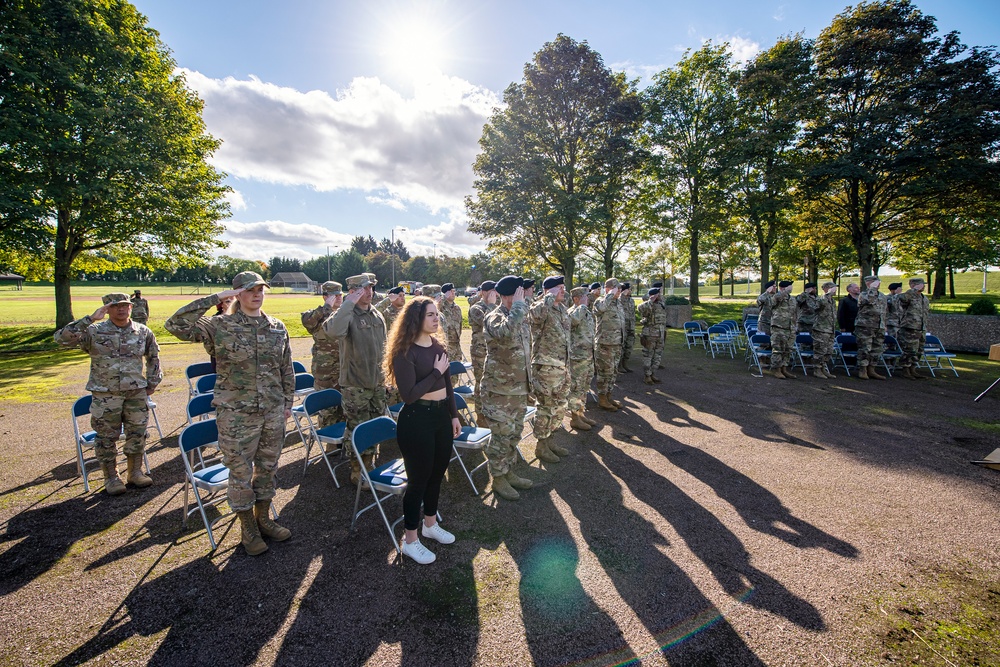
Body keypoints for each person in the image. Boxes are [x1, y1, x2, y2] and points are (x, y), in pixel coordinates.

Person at [165, 272, 294, 556]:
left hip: (272, 411)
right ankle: (247, 527)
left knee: (268, 468)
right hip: (237, 415)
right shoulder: (220, 325)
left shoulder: (276, 326)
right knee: (240, 472)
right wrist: (216, 298)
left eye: (261, 289)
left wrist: (287, 402)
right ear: (237, 293)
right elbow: (175, 325)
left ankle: (264, 519)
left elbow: (286, 367)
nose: (257, 294)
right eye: (249, 290)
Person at [55, 292, 162, 495]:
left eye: (125, 305)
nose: (121, 309)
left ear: (131, 307)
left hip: (135, 393)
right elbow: (61, 339)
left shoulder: (142, 331)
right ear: (106, 309)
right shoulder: (94, 331)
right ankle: (111, 477)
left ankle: (135, 472)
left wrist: (152, 383)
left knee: (138, 433)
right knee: (106, 437)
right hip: (106, 394)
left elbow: (154, 357)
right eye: (115, 306)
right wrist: (90, 319)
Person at [384, 296, 462, 564]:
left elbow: (448, 386)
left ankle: (430, 524)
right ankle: (410, 540)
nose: (436, 318)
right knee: (418, 481)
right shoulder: (404, 352)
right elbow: (409, 395)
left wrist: (454, 415)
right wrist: (435, 372)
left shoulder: (438, 345)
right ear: (416, 319)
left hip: (441, 417)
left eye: (436, 314)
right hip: (416, 419)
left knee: (437, 474)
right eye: (430, 314)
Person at [325, 274, 388, 484]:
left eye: (370, 288)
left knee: (375, 425)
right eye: (363, 289)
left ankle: (369, 463)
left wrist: (386, 377)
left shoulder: (377, 314)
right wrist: (348, 304)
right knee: (357, 427)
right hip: (356, 384)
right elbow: (333, 332)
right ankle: (357, 469)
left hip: (377, 383)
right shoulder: (347, 314)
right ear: (352, 291)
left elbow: (385, 347)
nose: (369, 292)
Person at [480, 275, 534, 501]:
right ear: (504, 296)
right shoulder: (494, 317)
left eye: (520, 293)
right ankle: (498, 478)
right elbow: (507, 333)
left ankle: (508, 471)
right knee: (501, 437)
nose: (520, 297)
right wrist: (519, 307)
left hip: (519, 388)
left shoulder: (519, 316)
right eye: (516, 294)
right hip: (499, 391)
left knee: (514, 434)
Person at [528, 275, 571, 463]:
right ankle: (541, 445)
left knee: (559, 406)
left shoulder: (561, 309)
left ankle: (550, 439)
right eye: (559, 287)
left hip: (562, 365)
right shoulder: (539, 307)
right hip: (545, 366)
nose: (563, 290)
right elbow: (535, 317)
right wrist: (548, 296)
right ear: (548, 290)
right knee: (546, 406)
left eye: (563, 287)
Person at [301, 281, 344, 436]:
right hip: (325, 372)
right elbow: (308, 322)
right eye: (335, 295)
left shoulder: (345, 313)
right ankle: (330, 447)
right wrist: (326, 307)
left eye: (340, 294)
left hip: (344, 370)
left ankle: (343, 445)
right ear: (325, 296)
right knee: (328, 411)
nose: (339, 298)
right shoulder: (316, 315)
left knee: (344, 407)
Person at [566, 286, 597, 430]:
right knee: (576, 388)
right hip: (576, 357)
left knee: (584, 387)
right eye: (584, 297)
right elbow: (573, 322)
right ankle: (574, 417)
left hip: (587, 355)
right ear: (576, 299)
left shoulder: (586, 312)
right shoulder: (573, 312)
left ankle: (580, 413)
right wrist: (582, 306)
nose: (588, 299)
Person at [468, 279, 497, 426]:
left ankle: (490, 412)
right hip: (480, 352)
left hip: (493, 351)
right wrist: (492, 305)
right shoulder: (476, 308)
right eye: (492, 290)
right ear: (484, 292)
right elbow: (489, 322)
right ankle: (480, 415)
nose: (495, 294)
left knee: (493, 382)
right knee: (481, 384)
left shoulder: (496, 307)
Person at [593, 278, 624, 410]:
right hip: (605, 343)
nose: (619, 291)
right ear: (608, 289)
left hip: (617, 342)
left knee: (613, 372)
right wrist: (610, 294)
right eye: (617, 288)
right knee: (604, 372)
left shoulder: (618, 303)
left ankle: (609, 396)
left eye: (620, 288)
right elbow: (600, 309)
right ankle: (602, 398)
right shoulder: (600, 301)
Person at [895, 278, 930, 380]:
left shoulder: (924, 298)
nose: (923, 286)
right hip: (910, 327)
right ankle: (905, 369)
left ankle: (913, 369)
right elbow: (901, 299)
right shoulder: (909, 295)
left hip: (921, 327)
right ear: (913, 285)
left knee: (919, 350)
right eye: (921, 284)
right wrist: (913, 290)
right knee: (909, 349)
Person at [854, 275, 887, 380]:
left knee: (877, 349)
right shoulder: (863, 294)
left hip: (879, 326)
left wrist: (884, 324)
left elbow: (884, 311)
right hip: (865, 326)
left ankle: (871, 369)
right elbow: (868, 301)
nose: (878, 284)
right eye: (876, 282)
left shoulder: (882, 296)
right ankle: (862, 369)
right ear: (869, 283)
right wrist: (872, 289)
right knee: (865, 348)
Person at [768, 280, 798, 379]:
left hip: (790, 328)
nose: (791, 288)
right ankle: (776, 369)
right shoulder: (777, 297)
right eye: (789, 286)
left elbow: (795, 313)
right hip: (779, 327)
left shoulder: (792, 299)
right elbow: (772, 303)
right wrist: (784, 292)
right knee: (778, 349)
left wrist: (795, 325)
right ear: (782, 288)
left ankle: (784, 368)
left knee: (788, 350)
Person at [637, 287, 667, 384]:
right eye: (658, 294)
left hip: (660, 334)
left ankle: (653, 373)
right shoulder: (648, 305)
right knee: (648, 355)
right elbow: (640, 308)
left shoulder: (661, 303)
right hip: (650, 335)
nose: (660, 295)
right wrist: (651, 300)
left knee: (657, 356)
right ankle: (647, 376)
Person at [812, 282, 838, 379]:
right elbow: (817, 307)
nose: (835, 290)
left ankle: (823, 368)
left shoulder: (833, 301)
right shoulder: (820, 298)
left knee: (828, 351)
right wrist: (827, 294)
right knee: (820, 350)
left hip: (830, 329)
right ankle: (817, 370)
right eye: (833, 288)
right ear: (827, 288)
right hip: (821, 329)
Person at [438, 282, 465, 363]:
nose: (453, 293)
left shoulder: (457, 308)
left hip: (456, 345)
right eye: (451, 291)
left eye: (454, 291)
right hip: (446, 345)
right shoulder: (441, 306)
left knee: (456, 372)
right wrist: (443, 297)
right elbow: (436, 310)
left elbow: (460, 325)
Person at [617, 282, 636, 373]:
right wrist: (623, 294)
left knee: (629, 346)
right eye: (629, 289)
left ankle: (625, 363)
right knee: (622, 346)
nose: (630, 291)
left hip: (630, 326)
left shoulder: (631, 300)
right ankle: (619, 365)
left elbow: (632, 313)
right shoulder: (620, 299)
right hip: (623, 327)